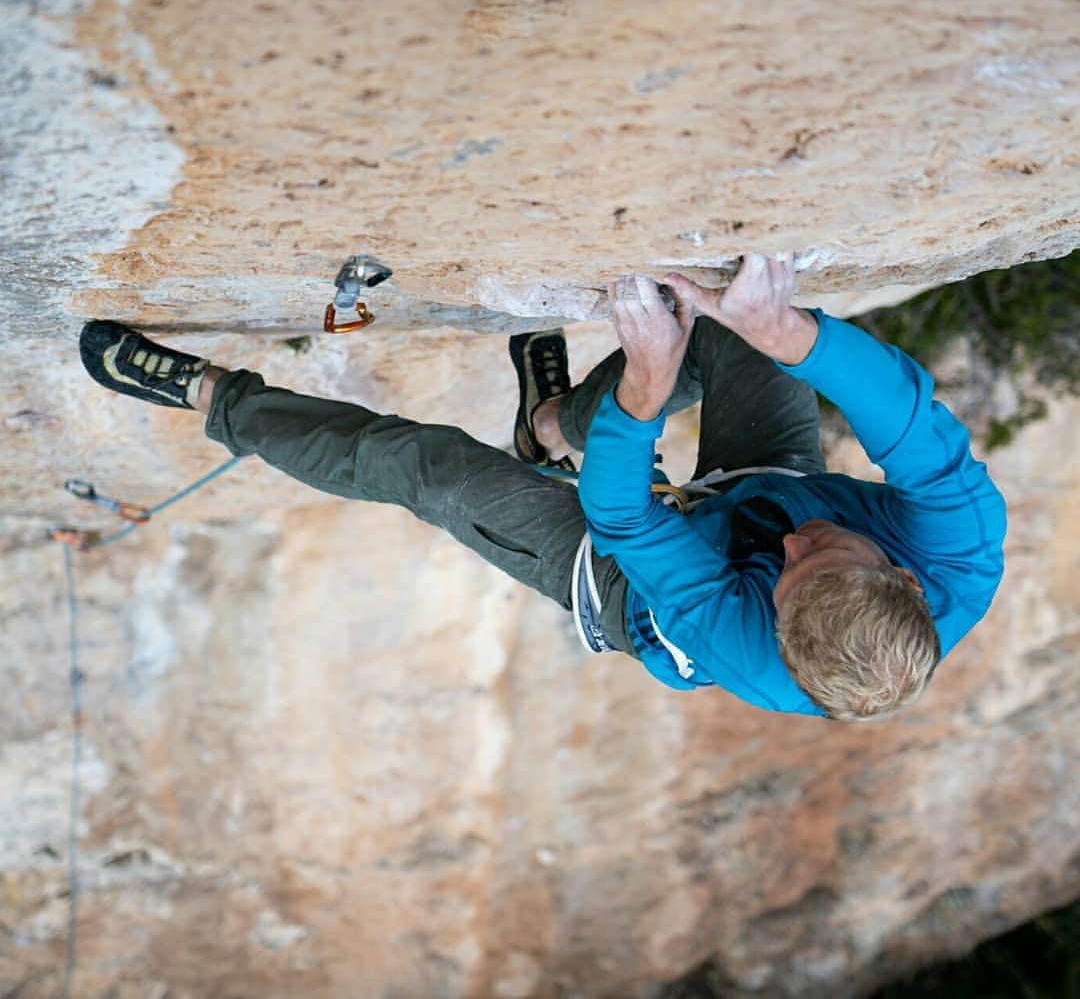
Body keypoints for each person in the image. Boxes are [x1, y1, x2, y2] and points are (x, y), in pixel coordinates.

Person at [78, 254, 1007, 720]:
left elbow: (623, 518)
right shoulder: (962, 553)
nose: (796, 548)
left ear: (775, 620)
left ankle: (211, 396)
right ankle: (553, 424)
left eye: (789, 573)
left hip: (630, 582)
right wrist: (792, 332)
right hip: (774, 484)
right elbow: (914, 427)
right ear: (912, 581)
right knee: (732, 319)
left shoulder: (747, 647)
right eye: (821, 555)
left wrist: (646, 392)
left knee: (427, 467)